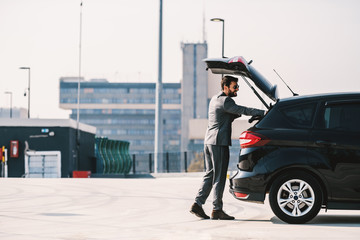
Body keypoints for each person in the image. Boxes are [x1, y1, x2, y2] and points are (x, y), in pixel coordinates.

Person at [190, 75, 265, 220]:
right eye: (234, 87)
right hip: (219, 142)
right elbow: (242, 109)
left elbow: (229, 114)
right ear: (225, 87)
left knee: (210, 175)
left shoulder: (215, 99)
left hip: (209, 141)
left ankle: (197, 204)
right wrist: (263, 113)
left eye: (238, 86)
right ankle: (217, 209)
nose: (237, 89)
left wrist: (237, 113)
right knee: (219, 177)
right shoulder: (226, 100)